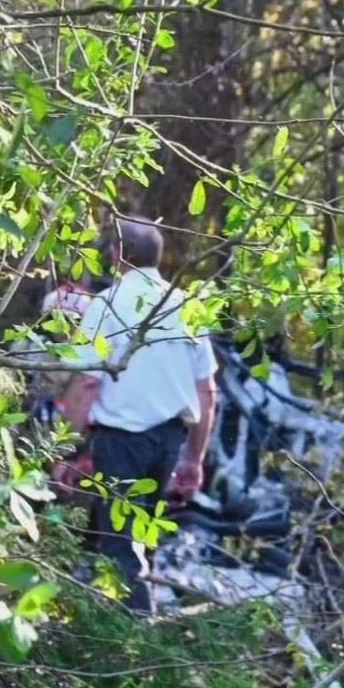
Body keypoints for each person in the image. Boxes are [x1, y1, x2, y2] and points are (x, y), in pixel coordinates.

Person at [62, 218, 219, 614]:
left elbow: (86, 383)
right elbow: (206, 392)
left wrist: (61, 449)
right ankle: (112, 625)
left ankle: (131, 640)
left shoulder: (108, 304)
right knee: (139, 537)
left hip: (120, 441)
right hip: (168, 440)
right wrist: (194, 460)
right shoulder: (186, 305)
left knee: (119, 546)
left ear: (116, 255)